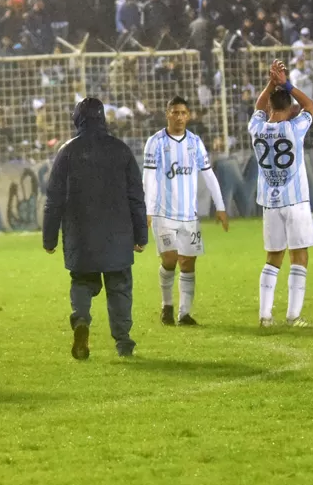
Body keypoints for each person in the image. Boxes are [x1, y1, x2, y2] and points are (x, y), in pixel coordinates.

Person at [43, 97, 147, 359]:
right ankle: (123, 342)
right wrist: (141, 235)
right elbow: (136, 196)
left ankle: (81, 322)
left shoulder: (67, 152)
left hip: (81, 235)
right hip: (118, 235)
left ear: (78, 119)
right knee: (119, 287)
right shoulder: (121, 150)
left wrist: (49, 238)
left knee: (81, 281)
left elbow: (53, 199)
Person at [142, 96, 228, 327]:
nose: (179, 117)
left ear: (188, 116)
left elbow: (208, 174)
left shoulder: (195, 142)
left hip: (189, 216)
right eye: (175, 112)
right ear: (167, 113)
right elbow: (148, 178)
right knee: (170, 259)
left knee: (188, 264)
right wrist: (147, 209)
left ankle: (184, 313)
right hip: (163, 213)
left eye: (183, 113)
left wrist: (220, 206)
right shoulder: (156, 142)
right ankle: (167, 305)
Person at [249, 60, 313, 328]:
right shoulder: (294, 128)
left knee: (273, 257)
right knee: (299, 256)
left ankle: (265, 316)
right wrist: (286, 83)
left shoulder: (256, 128)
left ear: (269, 106)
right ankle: (293, 316)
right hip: (296, 200)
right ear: (290, 109)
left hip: (269, 202)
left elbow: (258, 107)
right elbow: (311, 106)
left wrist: (270, 83)